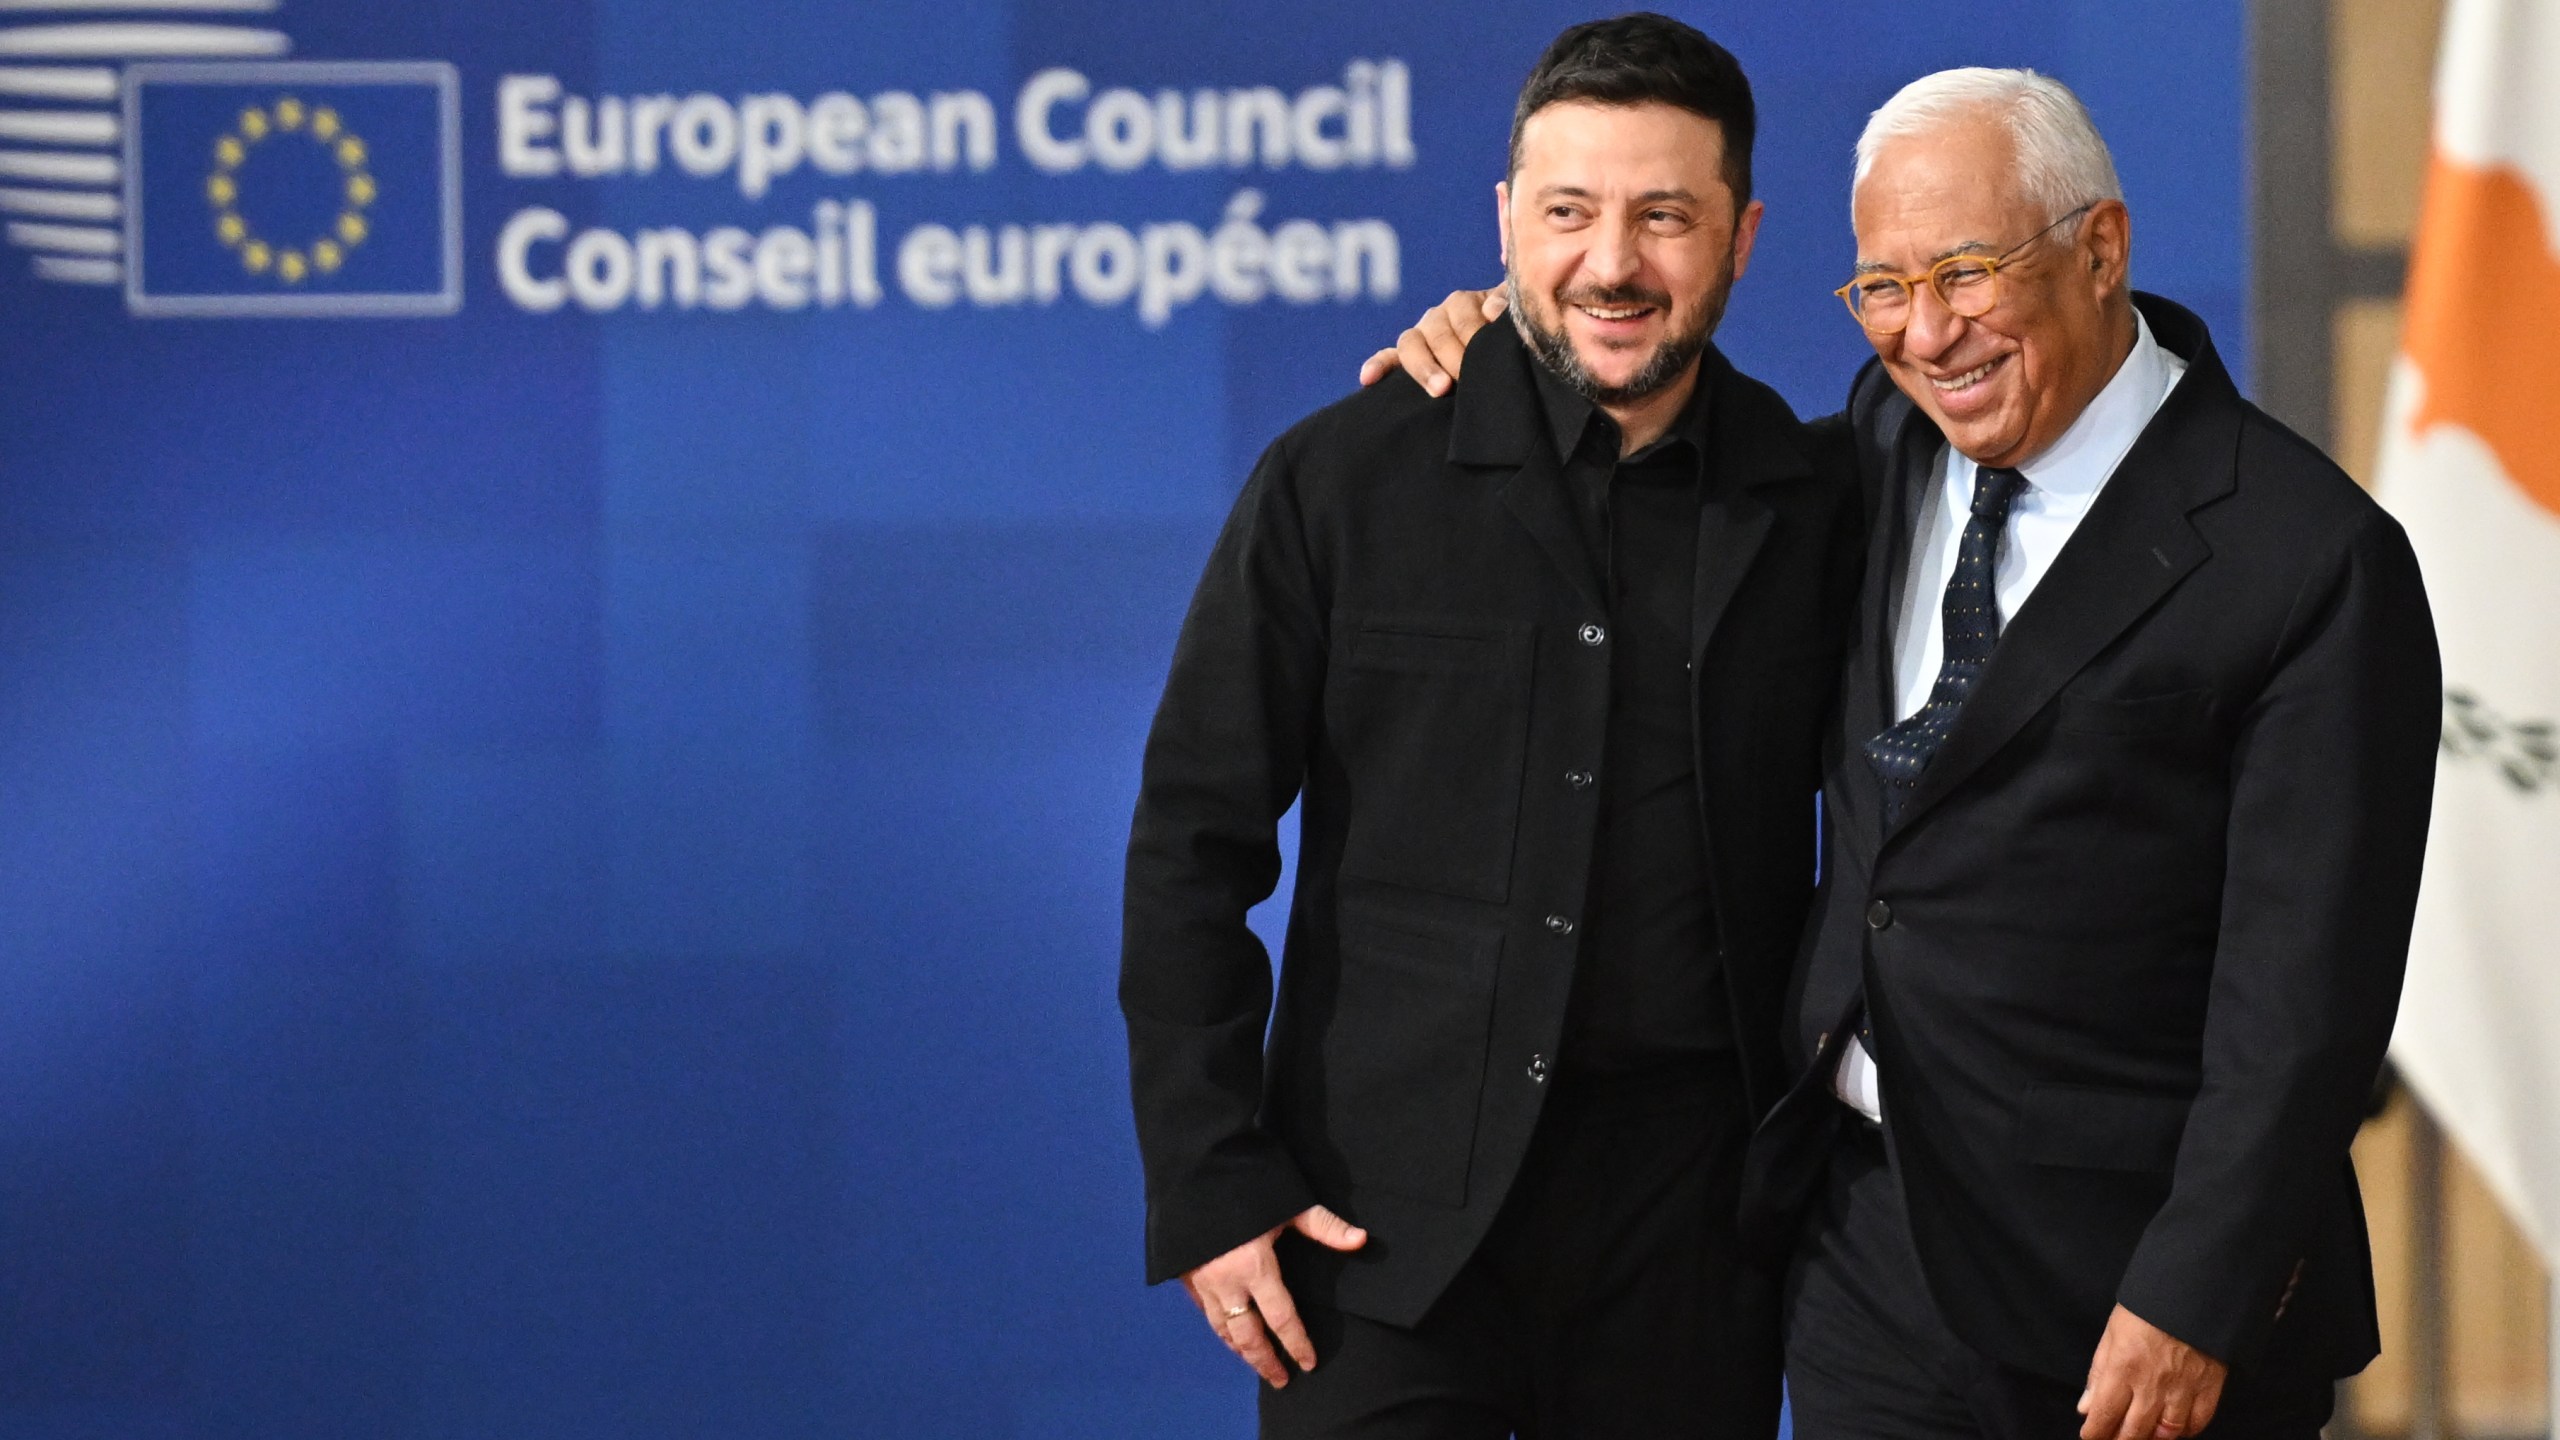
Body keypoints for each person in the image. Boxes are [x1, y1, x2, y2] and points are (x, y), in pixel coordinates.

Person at [1362, 66, 2438, 1440]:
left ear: (2101, 249)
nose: (1927, 335)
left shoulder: (2310, 558)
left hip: (2130, 1295)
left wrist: (2198, 1296)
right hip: (1867, 1261)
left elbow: (2309, 999)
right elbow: (1642, 440)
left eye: (1967, 273)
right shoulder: (1875, 453)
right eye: (1882, 287)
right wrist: (1512, 330)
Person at [1120, 14, 1861, 1438]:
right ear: (1509, 220)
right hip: (1377, 1229)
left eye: (1665, 217)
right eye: (1570, 212)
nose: (1612, 263)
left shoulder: (1821, 503)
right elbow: (1191, 842)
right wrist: (1211, 1175)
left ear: (1744, 236)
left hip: (1692, 1243)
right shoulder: (1341, 481)